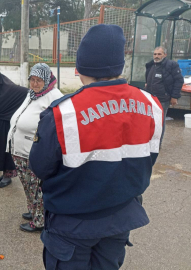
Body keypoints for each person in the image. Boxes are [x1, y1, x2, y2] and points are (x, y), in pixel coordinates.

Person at [29, 24, 164, 270]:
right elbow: (149, 157)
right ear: (121, 65)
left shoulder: (62, 113)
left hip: (72, 226)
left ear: (79, 68)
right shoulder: (152, 104)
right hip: (120, 218)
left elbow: (40, 167)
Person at [7, 63, 63, 233]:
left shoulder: (54, 96)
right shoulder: (33, 94)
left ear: (46, 80)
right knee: (27, 185)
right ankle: (33, 211)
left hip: (34, 152)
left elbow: (57, 125)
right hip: (20, 151)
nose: (35, 84)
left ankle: (39, 220)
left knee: (36, 187)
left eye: (39, 80)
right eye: (32, 80)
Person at [145, 46, 183, 147]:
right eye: (155, 54)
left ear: (165, 55)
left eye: (159, 54)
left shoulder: (171, 65)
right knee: (149, 121)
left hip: (163, 99)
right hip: (150, 98)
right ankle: (148, 142)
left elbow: (179, 80)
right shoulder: (151, 65)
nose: (156, 56)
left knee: (159, 122)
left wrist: (174, 96)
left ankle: (157, 144)